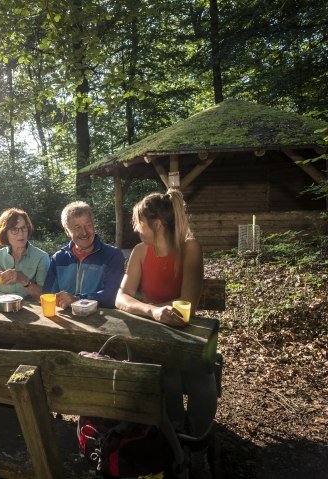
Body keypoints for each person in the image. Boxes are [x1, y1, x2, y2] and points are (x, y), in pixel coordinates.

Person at [115, 188, 216, 479]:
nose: (136, 228)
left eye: (138, 222)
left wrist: (151, 306)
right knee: (166, 379)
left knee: (204, 386)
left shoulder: (190, 248)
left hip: (188, 338)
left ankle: (196, 448)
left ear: (156, 225)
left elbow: (187, 307)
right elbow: (120, 297)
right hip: (156, 337)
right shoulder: (139, 252)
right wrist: (153, 311)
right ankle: (176, 444)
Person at [43, 201, 124, 309]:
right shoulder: (58, 258)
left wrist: (78, 300)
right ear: (67, 231)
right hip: (66, 320)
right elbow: (48, 294)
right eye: (77, 227)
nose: (84, 232)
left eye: (88, 225)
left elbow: (113, 295)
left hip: (102, 320)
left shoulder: (112, 255)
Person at [0, 208, 49, 299]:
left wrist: (24, 280)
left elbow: (45, 295)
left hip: (29, 310)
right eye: (14, 229)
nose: (21, 233)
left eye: (23, 227)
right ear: (5, 233)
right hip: (0, 308)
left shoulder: (41, 257)